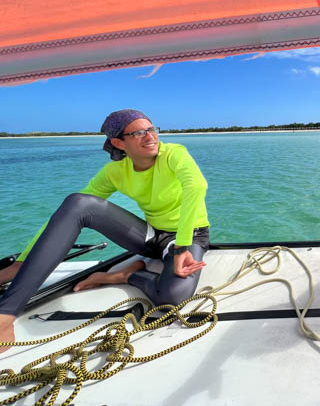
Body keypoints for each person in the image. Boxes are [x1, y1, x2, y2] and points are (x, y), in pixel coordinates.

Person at [0, 109, 210, 353]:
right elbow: (65, 215)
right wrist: (22, 261)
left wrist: (183, 245)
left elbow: (196, 185)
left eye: (152, 130)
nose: (150, 137)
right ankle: (6, 314)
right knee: (79, 202)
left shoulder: (173, 153)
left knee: (171, 299)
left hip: (189, 235)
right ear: (118, 142)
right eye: (139, 133)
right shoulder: (115, 172)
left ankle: (125, 275)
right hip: (151, 236)